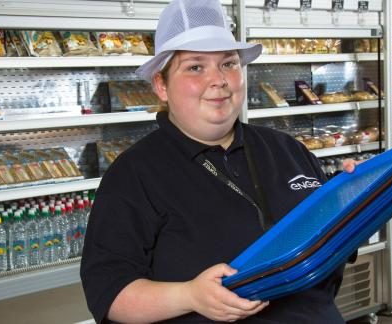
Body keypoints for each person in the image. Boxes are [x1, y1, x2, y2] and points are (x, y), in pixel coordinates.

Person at [80, 0, 358, 322]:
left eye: (228, 63)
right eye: (195, 67)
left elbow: (328, 251)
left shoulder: (287, 149)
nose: (219, 80)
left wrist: (349, 201)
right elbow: (108, 292)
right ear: (161, 85)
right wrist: (189, 296)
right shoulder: (134, 175)